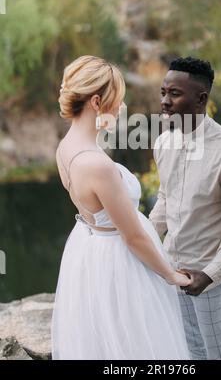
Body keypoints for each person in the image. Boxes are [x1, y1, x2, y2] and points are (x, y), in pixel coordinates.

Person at [51, 55, 191, 360]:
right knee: (136, 346)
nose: (122, 109)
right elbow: (133, 237)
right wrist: (171, 275)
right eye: (119, 101)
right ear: (97, 101)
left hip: (89, 250)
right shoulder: (96, 163)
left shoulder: (65, 148)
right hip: (120, 263)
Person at [149, 56, 221, 360]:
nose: (165, 102)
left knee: (219, 354)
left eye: (175, 94)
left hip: (211, 275)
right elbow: (166, 198)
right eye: (163, 92)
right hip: (172, 269)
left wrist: (209, 274)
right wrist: (143, 239)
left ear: (201, 100)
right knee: (188, 351)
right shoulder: (163, 143)